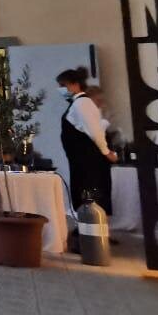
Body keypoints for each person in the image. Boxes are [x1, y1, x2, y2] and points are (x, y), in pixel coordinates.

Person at [57, 66, 115, 224]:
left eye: (63, 85)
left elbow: (94, 131)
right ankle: (89, 230)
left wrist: (106, 152)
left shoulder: (82, 103)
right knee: (87, 192)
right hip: (82, 159)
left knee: (89, 194)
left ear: (75, 84)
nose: (61, 89)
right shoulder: (81, 103)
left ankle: (92, 232)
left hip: (87, 160)